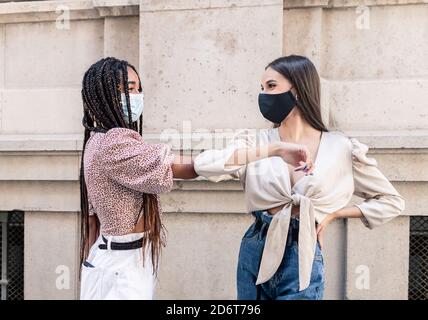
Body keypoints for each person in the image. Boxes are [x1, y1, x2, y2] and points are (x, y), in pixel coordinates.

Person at [194, 55, 405, 300]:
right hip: (256, 247)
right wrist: (273, 150)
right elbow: (204, 165)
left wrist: (333, 214)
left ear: (298, 89)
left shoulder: (341, 147)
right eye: (262, 88)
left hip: (303, 249)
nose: (264, 95)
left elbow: (391, 201)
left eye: (271, 86)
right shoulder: (255, 142)